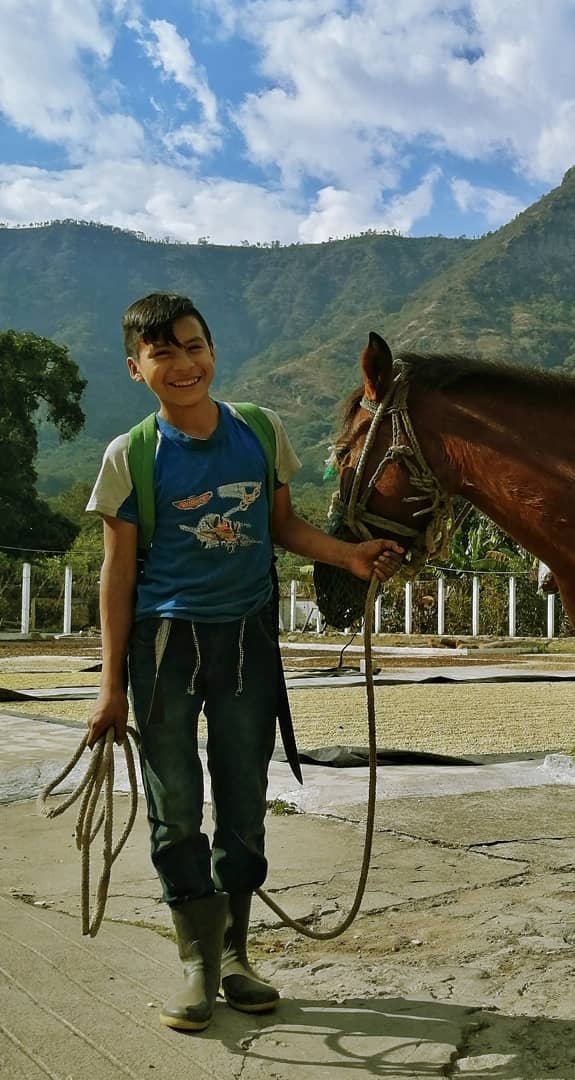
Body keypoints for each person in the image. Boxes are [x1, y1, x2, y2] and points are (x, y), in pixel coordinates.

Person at [85, 292, 402, 1033]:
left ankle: (234, 956)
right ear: (137, 368)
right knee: (175, 811)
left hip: (249, 644)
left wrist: (349, 555)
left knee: (243, 803)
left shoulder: (260, 431)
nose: (184, 363)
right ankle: (194, 963)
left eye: (194, 346)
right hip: (164, 651)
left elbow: (284, 524)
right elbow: (117, 575)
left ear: (213, 351)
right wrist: (109, 692)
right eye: (164, 353)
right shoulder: (129, 456)